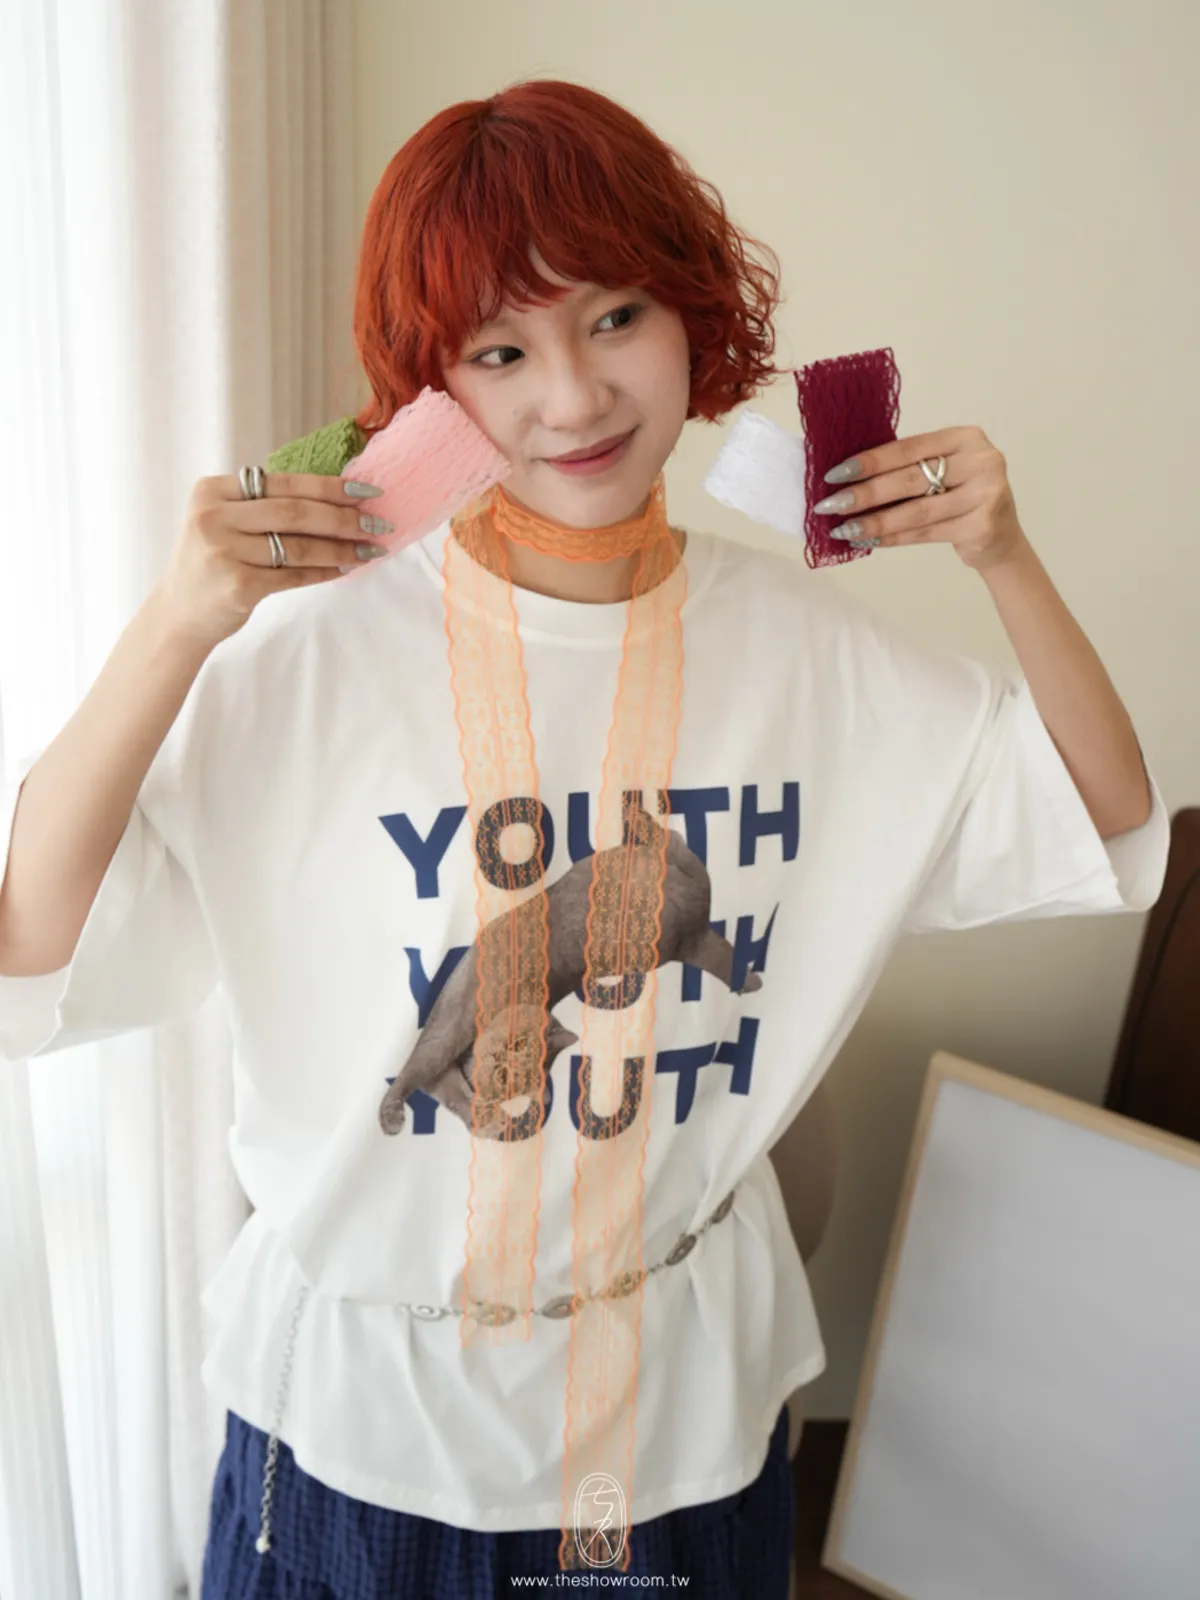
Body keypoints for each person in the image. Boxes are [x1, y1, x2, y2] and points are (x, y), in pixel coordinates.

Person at [0, 78, 1169, 1600]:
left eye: (616, 317)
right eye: (501, 351)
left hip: (678, 1426)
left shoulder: (803, 652)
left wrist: (1003, 555)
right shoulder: (305, 661)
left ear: (692, 318)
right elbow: (30, 942)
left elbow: (1105, 816)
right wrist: (176, 622)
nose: (574, 398)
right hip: (362, 1436)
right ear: (432, 387)